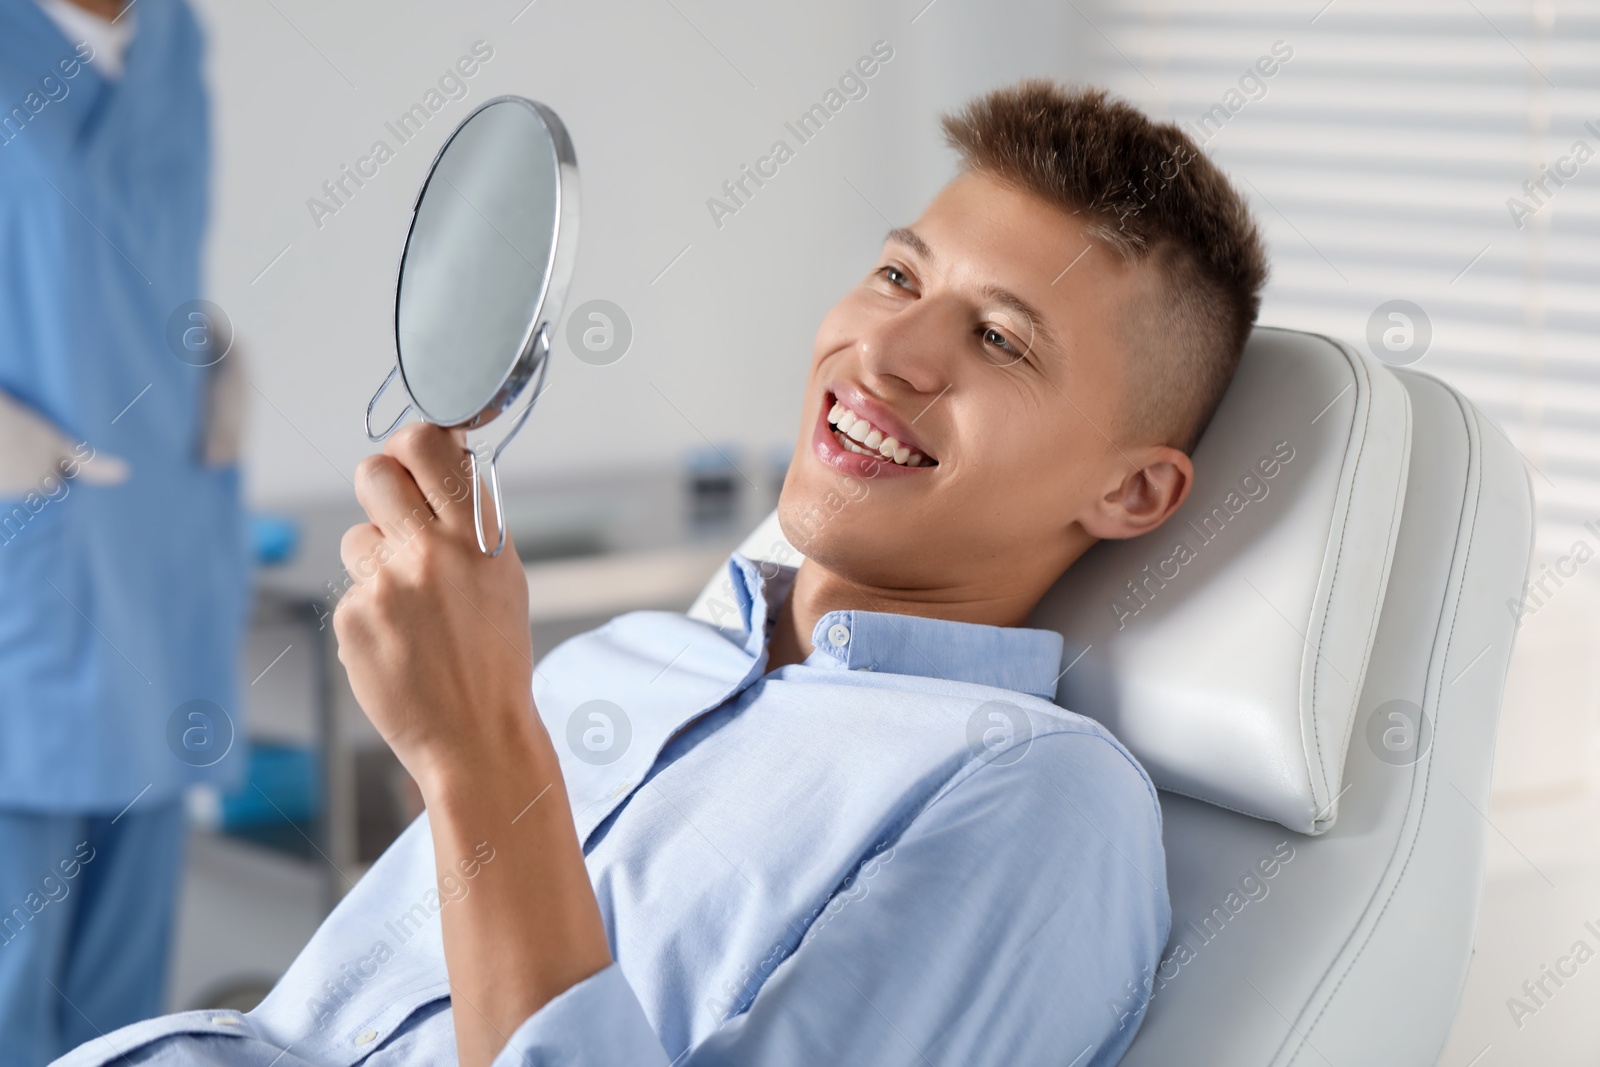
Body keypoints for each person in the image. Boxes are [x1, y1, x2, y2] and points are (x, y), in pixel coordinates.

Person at [54, 80, 1267, 1066]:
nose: (886, 350)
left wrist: (478, 752)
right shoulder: (624, 662)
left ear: (1130, 492)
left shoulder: (1041, 801)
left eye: (999, 338)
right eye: (898, 276)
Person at [0, 1, 250, 1063]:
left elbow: (148, 263)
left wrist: (216, 356)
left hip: (160, 550)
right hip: (26, 586)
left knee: (122, 1024)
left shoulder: (175, 40)